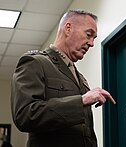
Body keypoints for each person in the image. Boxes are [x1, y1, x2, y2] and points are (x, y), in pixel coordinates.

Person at [11, 9, 116, 147]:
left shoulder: (81, 78)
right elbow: (25, 116)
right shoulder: (35, 62)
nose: (91, 44)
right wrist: (81, 101)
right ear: (68, 28)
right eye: (88, 35)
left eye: (93, 39)